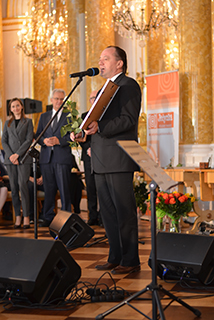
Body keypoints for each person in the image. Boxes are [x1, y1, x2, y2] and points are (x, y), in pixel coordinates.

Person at [71, 46, 141, 274]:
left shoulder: (128, 85)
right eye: (99, 59)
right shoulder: (104, 88)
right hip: (99, 158)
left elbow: (128, 120)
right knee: (108, 212)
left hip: (118, 156)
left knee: (123, 210)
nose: (100, 62)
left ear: (119, 63)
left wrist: (100, 126)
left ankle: (130, 260)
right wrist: (83, 133)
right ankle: (115, 256)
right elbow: (94, 121)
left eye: (105, 59)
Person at [35, 88, 73, 227]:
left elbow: (72, 137)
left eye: (61, 99)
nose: (59, 101)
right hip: (46, 159)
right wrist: (43, 141)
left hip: (62, 158)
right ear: (51, 100)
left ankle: (66, 218)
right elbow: (38, 135)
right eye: (56, 99)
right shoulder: (44, 116)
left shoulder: (69, 116)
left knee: (64, 190)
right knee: (49, 190)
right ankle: (48, 217)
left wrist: (59, 141)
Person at [2, 98, 33, 228]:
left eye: (17, 105)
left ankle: (26, 216)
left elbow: (28, 140)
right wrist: (11, 156)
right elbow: (4, 141)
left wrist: (17, 155)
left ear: (21, 107)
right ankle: (18, 217)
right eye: (13, 106)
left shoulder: (28, 121)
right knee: (14, 189)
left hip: (23, 158)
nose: (15, 108)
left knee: (23, 186)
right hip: (10, 161)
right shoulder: (7, 123)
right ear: (10, 109)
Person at [80, 90, 102, 226]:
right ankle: (92, 216)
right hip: (88, 157)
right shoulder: (84, 116)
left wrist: (95, 149)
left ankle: (103, 217)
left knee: (102, 188)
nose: (94, 100)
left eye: (97, 98)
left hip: (101, 156)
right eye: (92, 98)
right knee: (91, 188)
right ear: (90, 101)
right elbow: (82, 136)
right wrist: (88, 148)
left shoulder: (103, 116)